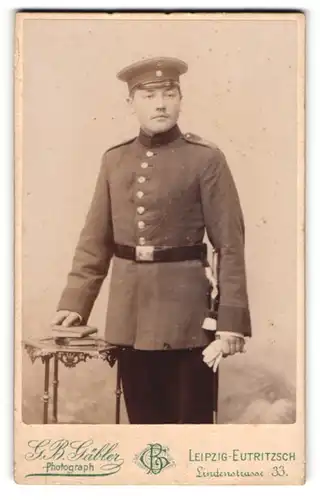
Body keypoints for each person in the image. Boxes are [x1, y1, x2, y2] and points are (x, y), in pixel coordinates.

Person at [51, 56, 251, 424]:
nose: (160, 103)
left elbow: (230, 245)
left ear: (180, 98)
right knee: (144, 433)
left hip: (189, 322)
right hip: (130, 319)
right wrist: (76, 303)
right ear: (131, 103)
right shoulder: (115, 161)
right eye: (148, 95)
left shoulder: (206, 159)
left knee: (190, 435)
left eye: (169, 93)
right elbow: (96, 240)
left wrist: (231, 321)